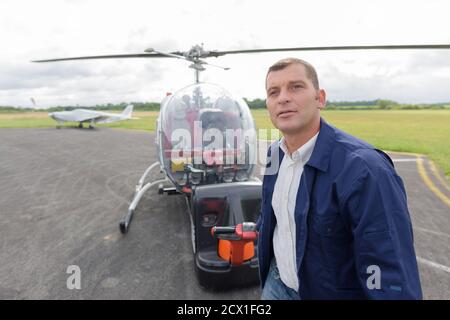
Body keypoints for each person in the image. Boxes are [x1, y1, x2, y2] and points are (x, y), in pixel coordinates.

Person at [256, 58, 422, 299]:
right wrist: (258, 229)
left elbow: (388, 264)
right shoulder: (274, 154)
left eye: (296, 87)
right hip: (277, 285)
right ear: (269, 105)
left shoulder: (365, 169)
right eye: (274, 92)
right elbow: (272, 212)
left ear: (320, 98)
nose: (283, 98)